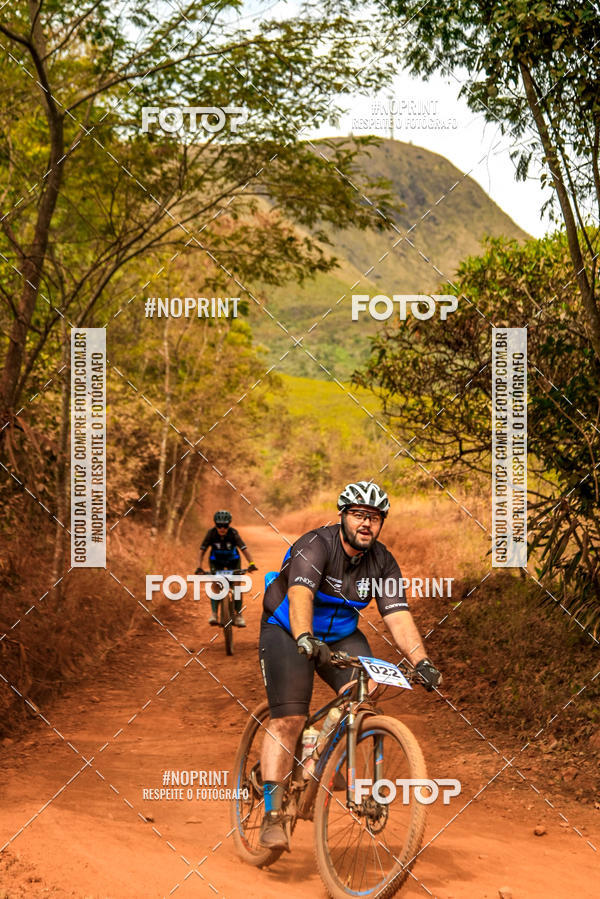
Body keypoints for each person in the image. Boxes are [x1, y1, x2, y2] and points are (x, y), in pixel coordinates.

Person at [257, 480, 442, 850]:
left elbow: (398, 614)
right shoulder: (316, 544)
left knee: (367, 691)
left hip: (341, 634)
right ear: (343, 516)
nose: (366, 523)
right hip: (288, 627)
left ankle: (323, 751)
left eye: (374, 517)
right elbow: (300, 594)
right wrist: (305, 637)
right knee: (290, 718)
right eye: (358, 514)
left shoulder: (382, 562)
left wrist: (421, 661)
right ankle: (272, 814)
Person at [196, 510, 257, 627]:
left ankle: (239, 615)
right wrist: (199, 567)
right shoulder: (211, 533)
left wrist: (252, 563)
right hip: (216, 562)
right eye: (219, 526)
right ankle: (214, 614)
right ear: (215, 525)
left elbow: (244, 549)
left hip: (233, 561)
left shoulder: (233, 533)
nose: (222, 529)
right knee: (215, 583)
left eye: (225, 526)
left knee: (237, 585)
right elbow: (201, 551)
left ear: (229, 525)